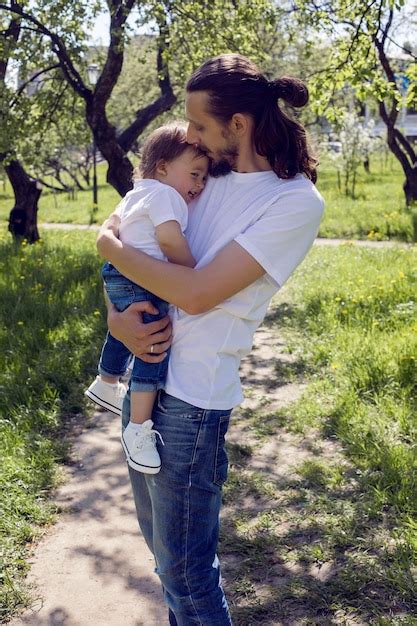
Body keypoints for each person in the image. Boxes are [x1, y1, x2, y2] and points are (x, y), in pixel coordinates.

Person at [97, 54, 325, 625]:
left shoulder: (293, 201)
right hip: (144, 387)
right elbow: (138, 247)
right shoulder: (203, 178)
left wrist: (108, 247)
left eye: (199, 125)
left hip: (193, 401)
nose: (189, 137)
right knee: (165, 562)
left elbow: (197, 294)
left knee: (187, 572)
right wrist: (114, 318)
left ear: (239, 125)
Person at [85, 123, 208, 475]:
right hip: (140, 279)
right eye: (195, 175)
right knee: (152, 349)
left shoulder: (136, 193)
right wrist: (192, 271)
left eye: (203, 179)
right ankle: (137, 429)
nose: (198, 187)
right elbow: (169, 240)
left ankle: (107, 382)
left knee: (129, 329)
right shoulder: (168, 196)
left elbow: (111, 227)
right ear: (164, 167)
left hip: (117, 274)